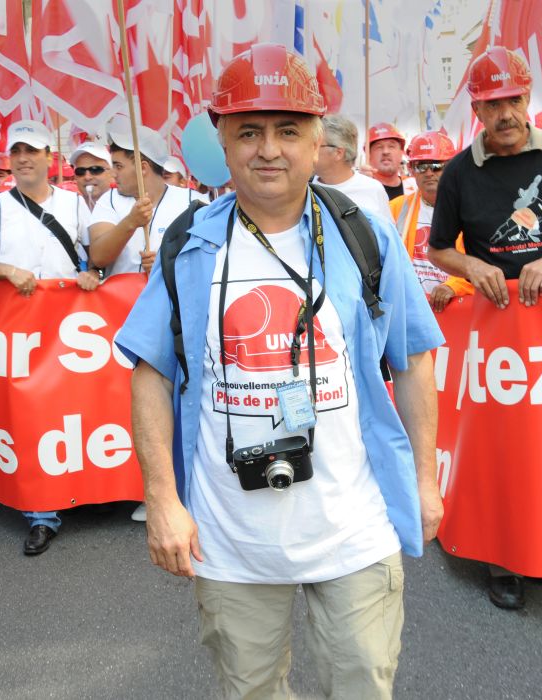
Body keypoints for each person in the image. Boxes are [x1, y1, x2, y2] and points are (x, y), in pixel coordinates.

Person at [115, 43, 444, 699]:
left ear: (318, 138)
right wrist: (162, 499)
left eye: (288, 130)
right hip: (230, 537)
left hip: (353, 526)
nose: (268, 149)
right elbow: (151, 371)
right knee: (252, 690)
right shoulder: (188, 245)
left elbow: (412, 359)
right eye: (249, 132)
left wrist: (426, 480)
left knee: (362, 684)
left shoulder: (365, 236)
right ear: (223, 141)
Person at [427, 46, 542, 610]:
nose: (505, 113)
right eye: (492, 103)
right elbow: (438, 247)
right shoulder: (460, 171)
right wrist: (472, 266)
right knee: (502, 448)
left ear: (528, 98)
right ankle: (502, 558)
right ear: (477, 110)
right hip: (497, 331)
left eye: (513, 99)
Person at [0, 119, 100, 556]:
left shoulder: (74, 204)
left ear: (48, 158)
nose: (22, 159)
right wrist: (5, 270)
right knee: (27, 417)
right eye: (16, 151)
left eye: (31, 151)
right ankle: (41, 512)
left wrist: (93, 272)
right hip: (16, 331)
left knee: (69, 414)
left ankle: (82, 490)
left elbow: (97, 255)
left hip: (68, 329)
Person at [88, 125, 206, 279]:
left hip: (172, 294)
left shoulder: (193, 202)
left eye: (119, 166)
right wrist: (130, 222)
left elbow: (207, 258)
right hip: (122, 294)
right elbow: (98, 257)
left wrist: (167, 264)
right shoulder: (109, 200)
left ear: (143, 168)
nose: (113, 174)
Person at [390, 131, 473, 311]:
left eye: (436, 166)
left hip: (457, 311)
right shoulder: (396, 208)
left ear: (451, 167)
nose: (428, 173)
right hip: (410, 310)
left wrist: (452, 286)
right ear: (412, 169)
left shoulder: (473, 209)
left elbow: (483, 263)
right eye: (421, 166)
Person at [313, 114, 393, 222]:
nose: (309, 151)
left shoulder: (373, 189)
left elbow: (386, 231)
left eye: (316, 146)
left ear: (338, 153)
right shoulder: (303, 189)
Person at [366, 122, 416, 200]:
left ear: (401, 152)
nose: (385, 152)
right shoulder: (361, 190)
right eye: (379, 147)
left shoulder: (416, 187)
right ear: (369, 155)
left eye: (391, 146)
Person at [70, 142, 114, 210]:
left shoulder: (126, 207)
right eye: (80, 171)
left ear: (112, 173)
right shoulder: (66, 208)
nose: (87, 177)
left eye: (95, 170)